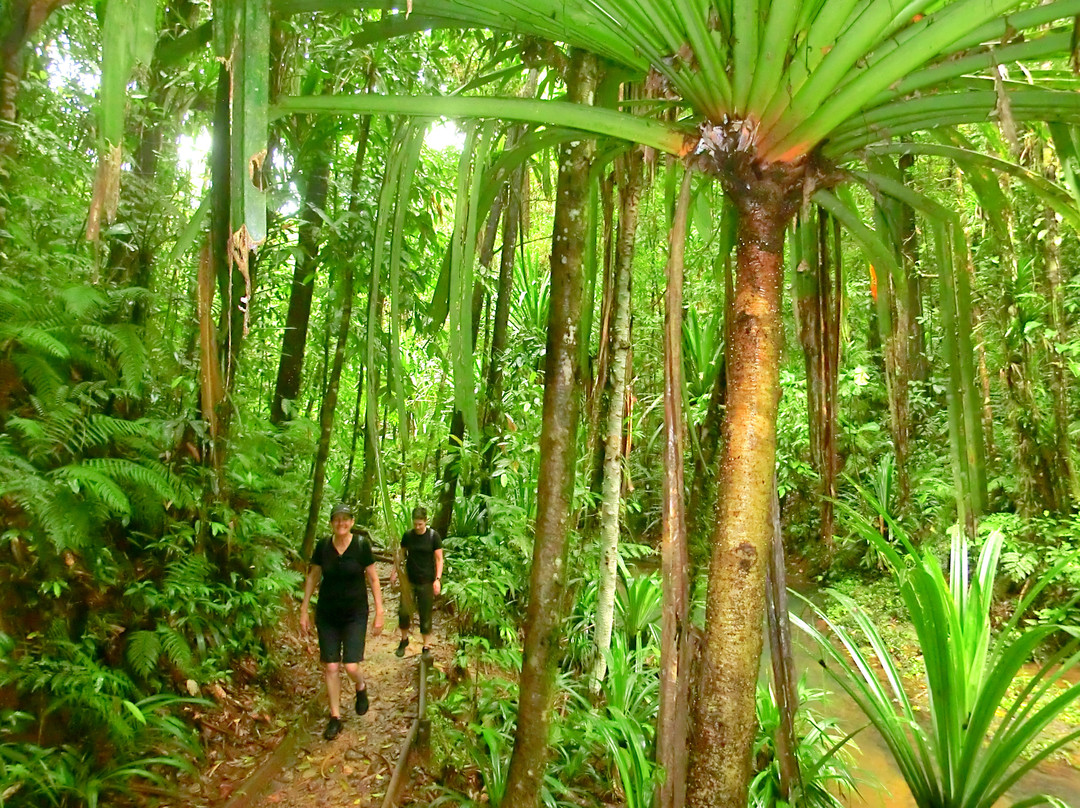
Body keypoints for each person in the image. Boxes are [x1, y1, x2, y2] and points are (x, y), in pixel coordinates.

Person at [300, 503, 384, 741]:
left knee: (351, 666)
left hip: (355, 614)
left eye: (345, 519)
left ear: (352, 522)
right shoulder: (323, 547)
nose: (341, 523)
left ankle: (360, 687)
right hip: (327, 614)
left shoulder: (360, 546)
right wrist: (304, 608)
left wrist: (380, 611)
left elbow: (374, 579)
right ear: (331, 523)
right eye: (337, 519)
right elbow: (313, 576)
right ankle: (335, 717)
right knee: (331, 666)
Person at [390, 506, 443, 659]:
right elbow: (401, 555)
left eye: (420, 524)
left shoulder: (433, 537)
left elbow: (439, 559)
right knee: (404, 611)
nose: (418, 527)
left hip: (427, 580)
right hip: (410, 580)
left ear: (426, 521)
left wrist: (437, 580)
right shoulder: (408, 536)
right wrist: (394, 572)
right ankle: (404, 639)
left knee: (425, 614)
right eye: (415, 524)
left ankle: (426, 646)